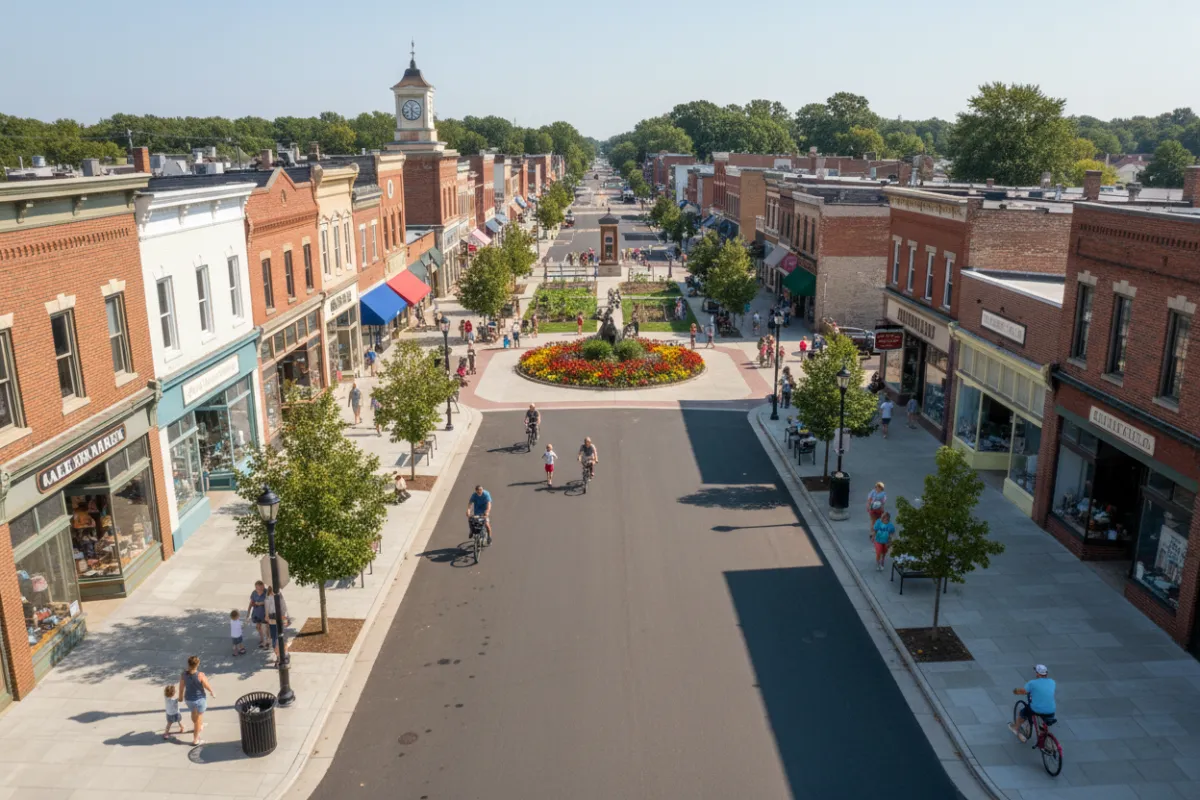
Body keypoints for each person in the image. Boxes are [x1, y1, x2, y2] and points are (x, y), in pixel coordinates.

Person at [1010, 665, 1056, 743]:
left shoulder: (1032, 683)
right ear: (1046, 673)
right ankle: (1043, 732)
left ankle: (1016, 728)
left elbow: (1023, 691)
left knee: (1023, 712)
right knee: (1044, 717)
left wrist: (1015, 691)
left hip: (1037, 709)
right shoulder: (1052, 682)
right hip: (1051, 709)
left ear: (1038, 674)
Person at [178, 655, 215, 747]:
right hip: (199, 700)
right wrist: (211, 691)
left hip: (189, 699)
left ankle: (197, 727)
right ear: (197, 664)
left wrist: (180, 697)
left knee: (193, 713)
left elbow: (181, 687)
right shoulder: (200, 675)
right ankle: (196, 739)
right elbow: (206, 685)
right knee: (199, 719)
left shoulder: (184, 675)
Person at [264, 587, 289, 666]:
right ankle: (278, 657)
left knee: (282, 639)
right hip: (273, 620)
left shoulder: (280, 598)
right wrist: (267, 617)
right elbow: (267, 612)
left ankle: (285, 655)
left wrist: (284, 618)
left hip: (280, 618)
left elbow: (284, 608)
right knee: (274, 639)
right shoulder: (267, 599)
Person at [248, 581, 268, 649]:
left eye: (262, 588)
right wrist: (248, 612)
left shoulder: (266, 592)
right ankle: (262, 639)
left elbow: (270, 602)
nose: (260, 590)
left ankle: (266, 642)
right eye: (258, 589)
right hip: (256, 613)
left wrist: (261, 603)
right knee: (258, 627)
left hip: (265, 614)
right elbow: (251, 603)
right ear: (256, 588)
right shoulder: (254, 593)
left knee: (265, 628)